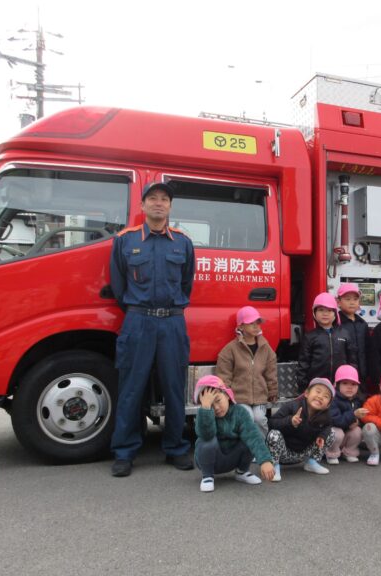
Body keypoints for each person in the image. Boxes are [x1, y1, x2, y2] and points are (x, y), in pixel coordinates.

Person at [109, 181, 195, 477]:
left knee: (174, 387)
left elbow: (187, 283)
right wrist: (140, 311)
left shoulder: (182, 242)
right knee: (131, 389)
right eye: (153, 199)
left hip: (172, 322)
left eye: (164, 199)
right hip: (138, 321)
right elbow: (119, 287)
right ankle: (124, 452)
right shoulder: (125, 240)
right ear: (142, 206)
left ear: (170, 207)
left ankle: (175, 447)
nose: (159, 203)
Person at [193, 375, 275, 493]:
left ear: (227, 395)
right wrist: (206, 410)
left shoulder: (240, 412)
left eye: (218, 401)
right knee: (207, 441)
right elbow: (206, 435)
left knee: (248, 437)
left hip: (232, 458)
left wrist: (265, 460)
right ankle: (207, 476)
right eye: (210, 404)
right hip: (212, 460)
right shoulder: (204, 414)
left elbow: (253, 435)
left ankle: (242, 472)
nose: (215, 407)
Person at [215, 306, 278, 437]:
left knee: (259, 419)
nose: (256, 326)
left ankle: (261, 450)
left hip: (260, 397)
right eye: (251, 323)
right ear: (241, 326)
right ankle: (246, 449)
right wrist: (226, 395)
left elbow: (271, 372)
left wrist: (272, 391)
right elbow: (224, 374)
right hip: (240, 398)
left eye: (258, 323)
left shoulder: (265, 348)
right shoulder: (231, 349)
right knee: (247, 417)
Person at [266, 377, 336, 480]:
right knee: (273, 434)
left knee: (331, 433)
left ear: (328, 405)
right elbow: (271, 423)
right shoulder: (291, 406)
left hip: (304, 452)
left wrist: (322, 436)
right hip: (284, 453)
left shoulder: (325, 415)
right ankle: (274, 466)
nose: (320, 397)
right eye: (318, 391)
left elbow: (327, 426)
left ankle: (312, 463)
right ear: (306, 393)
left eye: (326, 396)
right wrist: (290, 421)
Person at [295, 292, 358, 393]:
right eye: (321, 310)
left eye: (329, 310)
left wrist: (350, 379)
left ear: (335, 314)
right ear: (314, 313)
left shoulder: (344, 334)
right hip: (317, 386)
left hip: (340, 385)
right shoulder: (310, 336)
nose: (325, 314)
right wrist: (303, 386)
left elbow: (352, 360)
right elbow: (303, 363)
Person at [325, 365, 365, 464]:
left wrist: (358, 422)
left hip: (345, 434)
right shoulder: (333, 399)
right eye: (345, 383)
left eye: (353, 384)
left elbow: (363, 420)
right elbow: (335, 420)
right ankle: (331, 453)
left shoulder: (358, 400)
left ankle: (349, 452)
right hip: (330, 435)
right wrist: (353, 415)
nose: (350, 387)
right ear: (337, 385)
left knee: (357, 431)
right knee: (337, 432)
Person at [337, 283, 369, 385]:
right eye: (347, 299)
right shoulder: (336, 323)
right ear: (338, 302)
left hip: (362, 375)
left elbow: (367, 349)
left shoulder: (362, 324)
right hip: (343, 376)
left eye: (355, 299)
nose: (352, 302)